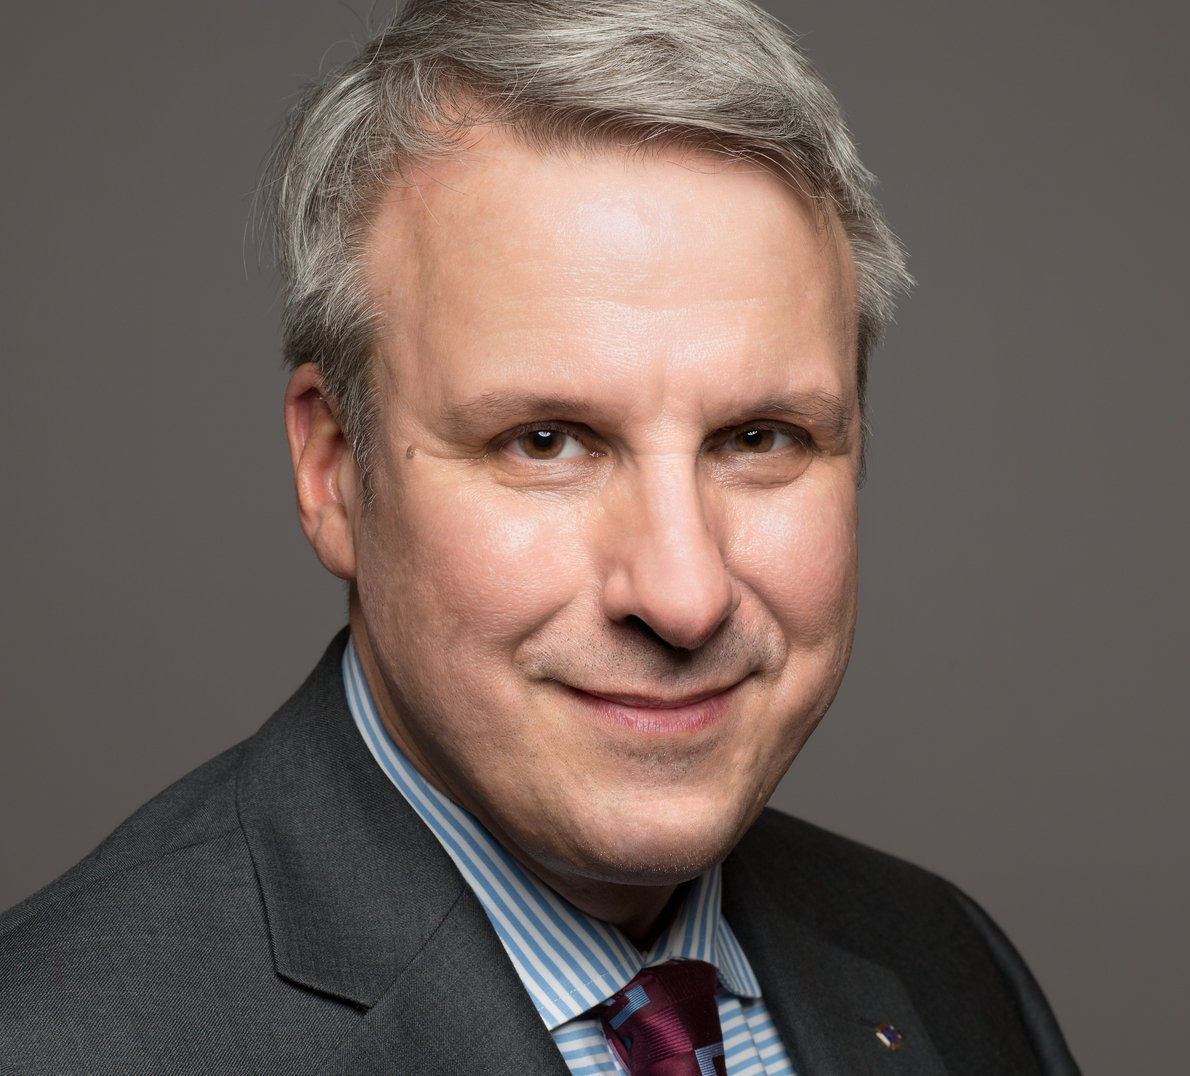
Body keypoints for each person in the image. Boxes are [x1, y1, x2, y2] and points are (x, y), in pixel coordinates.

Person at [0, 2, 1080, 1073]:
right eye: (546, 441)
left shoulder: (946, 968)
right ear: (334, 469)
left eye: (759, 438)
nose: (683, 594)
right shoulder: (60, 1043)